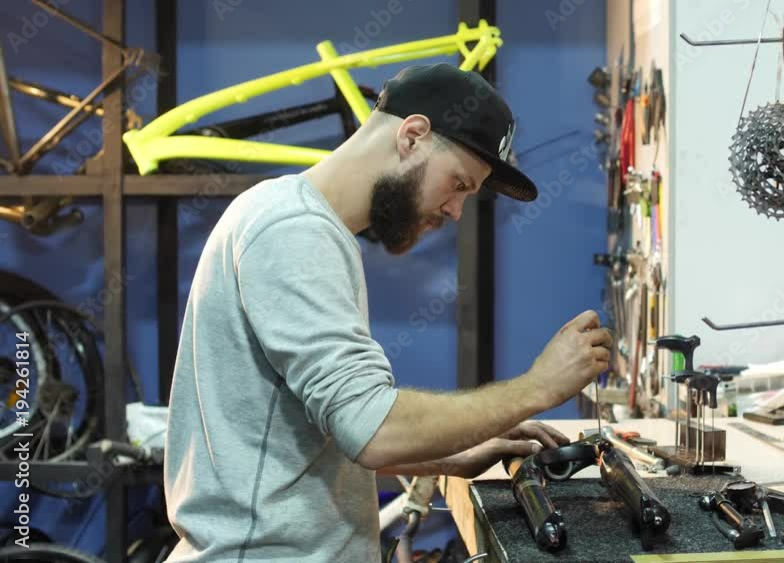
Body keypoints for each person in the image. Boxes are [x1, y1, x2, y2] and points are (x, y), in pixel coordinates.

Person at [164, 63, 612, 562]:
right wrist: (538, 388)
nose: (456, 211)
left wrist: (453, 453)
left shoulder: (308, 227)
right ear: (413, 136)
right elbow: (371, 428)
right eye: (459, 183)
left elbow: (320, 430)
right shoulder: (292, 231)